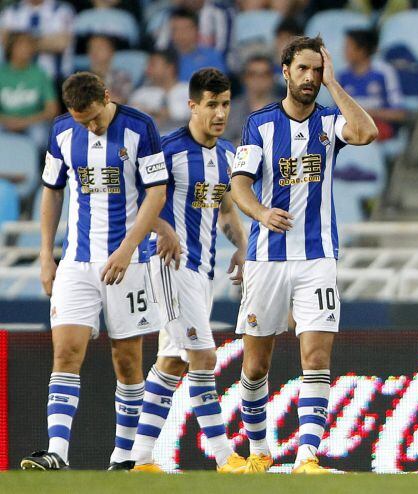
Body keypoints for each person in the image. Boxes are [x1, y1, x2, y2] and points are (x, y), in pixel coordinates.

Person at [230, 35, 377, 474]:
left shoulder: (330, 123)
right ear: (286, 73)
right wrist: (261, 213)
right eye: (304, 70)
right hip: (267, 258)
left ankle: (308, 456)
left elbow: (367, 132)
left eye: (317, 70)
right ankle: (258, 451)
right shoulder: (260, 124)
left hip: (318, 258)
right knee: (256, 366)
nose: (311, 78)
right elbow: (239, 184)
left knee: (316, 358)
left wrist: (335, 84)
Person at [20, 72, 167, 471]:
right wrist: (46, 255)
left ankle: (123, 456)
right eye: (81, 119)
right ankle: (58, 453)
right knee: (66, 352)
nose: (90, 126)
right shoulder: (63, 131)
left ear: (107, 96)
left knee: (128, 361)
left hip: (129, 262)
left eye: (95, 118)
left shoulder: (140, 127)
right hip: (77, 262)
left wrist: (127, 248)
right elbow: (52, 190)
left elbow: (157, 192)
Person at [129, 68, 250, 474]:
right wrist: (162, 227)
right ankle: (224, 457)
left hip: (203, 268)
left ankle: (139, 456)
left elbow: (227, 211)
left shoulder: (230, 157)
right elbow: (138, 202)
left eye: (225, 104)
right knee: (203, 355)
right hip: (168, 263)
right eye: (211, 105)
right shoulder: (168, 151)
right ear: (192, 106)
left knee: (173, 362)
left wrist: (244, 248)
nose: (219, 113)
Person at [338, 29, 408, 143]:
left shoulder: (384, 73)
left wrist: (366, 113)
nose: (344, 51)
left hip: (379, 127)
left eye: (348, 47)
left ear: (362, 51)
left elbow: (400, 114)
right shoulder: (342, 76)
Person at [0, 31, 58, 151]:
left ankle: (34, 168)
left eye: (29, 46)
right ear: (11, 48)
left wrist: (24, 122)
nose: (27, 49)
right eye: (22, 46)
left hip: (33, 123)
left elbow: (52, 110)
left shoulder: (40, 74)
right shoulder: (2, 74)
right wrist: (8, 121)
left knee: (39, 136)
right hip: (4, 122)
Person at [0, 0, 75, 81]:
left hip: (55, 78)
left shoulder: (62, 10)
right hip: (16, 79)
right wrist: (48, 42)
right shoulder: (11, 11)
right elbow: (4, 40)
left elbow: (62, 43)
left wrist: (20, 44)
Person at [128, 50, 190, 135]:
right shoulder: (141, 93)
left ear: (170, 68)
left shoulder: (188, 90)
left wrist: (154, 111)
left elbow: (190, 113)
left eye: (153, 64)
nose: (147, 69)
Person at [226, 55, 278, 143]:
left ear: (272, 78)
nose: (258, 79)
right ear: (244, 78)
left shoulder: (286, 110)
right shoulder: (230, 110)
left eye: (264, 74)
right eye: (252, 74)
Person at [168, 8, 227, 82]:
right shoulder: (165, 59)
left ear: (196, 30)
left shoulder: (212, 57)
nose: (180, 34)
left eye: (185, 29)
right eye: (175, 29)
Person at [86, 35, 133, 104]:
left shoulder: (122, 76)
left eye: (99, 48)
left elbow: (119, 102)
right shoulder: (81, 76)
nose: (94, 52)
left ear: (111, 51)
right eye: (91, 48)